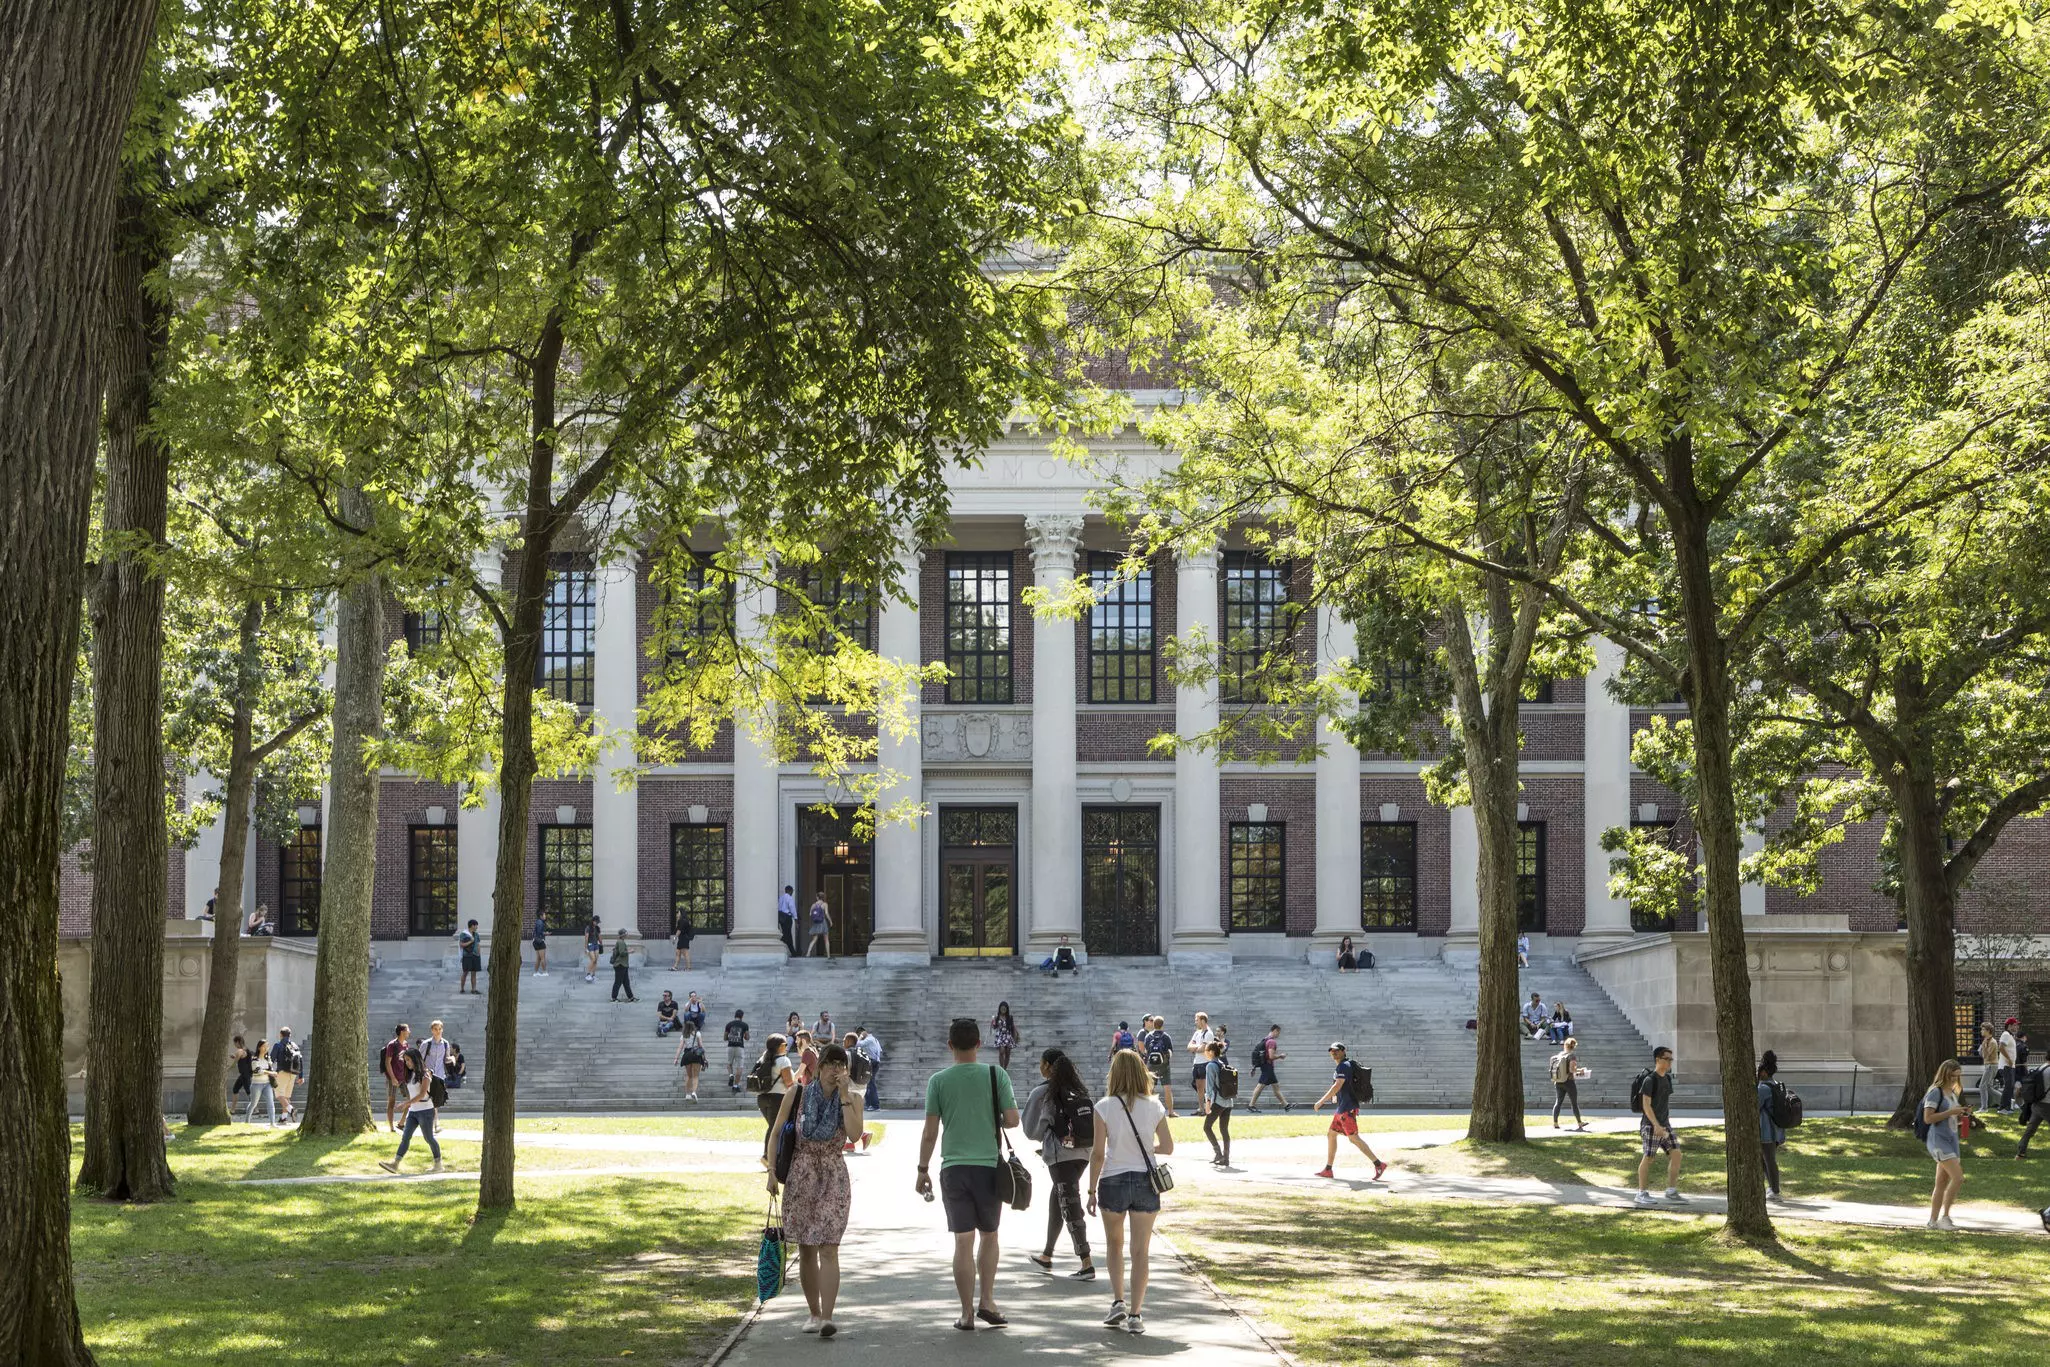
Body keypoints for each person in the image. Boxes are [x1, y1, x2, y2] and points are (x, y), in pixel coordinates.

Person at [915, 1017, 1019, 1333]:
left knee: (963, 1241)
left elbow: (930, 1132)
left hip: (953, 1168)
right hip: (988, 1166)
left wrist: (922, 1169)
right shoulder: (995, 1074)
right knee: (989, 1235)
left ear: (950, 1046)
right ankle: (987, 1300)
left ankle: (966, 1313)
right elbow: (1013, 1120)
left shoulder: (938, 1081)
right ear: (978, 1043)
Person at [766, 1041, 863, 1337]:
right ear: (819, 1066)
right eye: (830, 1064)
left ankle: (828, 1317)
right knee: (806, 1248)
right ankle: (813, 1312)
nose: (835, 1070)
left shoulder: (853, 1097)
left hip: (833, 1174)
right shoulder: (797, 1093)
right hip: (801, 1173)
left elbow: (856, 1134)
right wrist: (771, 1172)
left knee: (829, 1247)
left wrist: (845, 1096)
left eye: (840, 1065)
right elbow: (776, 1132)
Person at [1087, 1047, 1172, 1335]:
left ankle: (1118, 1301)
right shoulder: (1155, 1106)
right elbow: (1168, 1147)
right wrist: (1148, 1148)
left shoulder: (1104, 1106)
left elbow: (1098, 1154)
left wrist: (1090, 1190)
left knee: (1114, 1245)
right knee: (1141, 1251)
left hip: (1113, 1178)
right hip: (1146, 1181)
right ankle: (1136, 1314)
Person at [1022, 1048, 1096, 1280]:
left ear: (1047, 1066)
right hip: (1083, 1153)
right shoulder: (1079, 1089)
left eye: (1041, 1063)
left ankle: (1086, 1262)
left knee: (1070, 1203)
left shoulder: (1042, 1093)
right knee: (1060, 1197)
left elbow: (1031, 1130)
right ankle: (1047, 1254)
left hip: (1060, 1155)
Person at [1313, 1042, 1386, 1179]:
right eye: (1331, 1051)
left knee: (1353, 1138)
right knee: (1331, 1134)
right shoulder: (1342, 1066)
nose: (1333, 1053)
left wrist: (1321, 1101)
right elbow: (1339, 1086)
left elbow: (1338, 1085)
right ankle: (1328, 1169)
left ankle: (1378, 1164)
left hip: (1347, 1109)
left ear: (1343, 1051)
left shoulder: (1343, 1066)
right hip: (1342, 1108)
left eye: (1336, 1050)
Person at [378, 1046, 444, 1174]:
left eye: (408, 1060)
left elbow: (422, 1094)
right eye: (405, 1060)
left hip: (425, 1111)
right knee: (405, 1137)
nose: (407, 1063)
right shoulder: (411, 1074)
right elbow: (413, 1095)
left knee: (429, 1138)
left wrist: (406, 1103)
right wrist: (408, 1105)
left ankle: (438, 1164)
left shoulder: (426, 1074)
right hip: (413, 1112)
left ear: (415, 1059)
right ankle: (395, 1164)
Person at [1923, 1058, 1972, 1229]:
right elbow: (1928, 1118)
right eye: (1952, 1076)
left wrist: (1960, 1115)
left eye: (1957, 1076)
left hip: (1951, 1139)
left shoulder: (1952, 1092)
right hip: (1939, 1141)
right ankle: (1945, 1217)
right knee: (1958, 1178)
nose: (1954, 1080)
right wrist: (1951, 1111)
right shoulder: (1935, 1092)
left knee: (1941, 1183)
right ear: (1945, 1074)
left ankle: (1932, 1221)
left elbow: (1949, 1117)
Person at [1633, 1045, 1684, 1206]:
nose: (1670, 1062)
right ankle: (1641, 1193)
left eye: (1671, 1059)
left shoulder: (1667, 1079)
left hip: (1664, 1125)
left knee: (1676, 1154)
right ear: (1658, 1060)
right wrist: (1655, 1125)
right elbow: (1646, 1105)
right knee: (1649, 1157)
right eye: (1667, 1059)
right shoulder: (1650, 1080)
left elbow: (1664, 1103)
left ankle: (1671, 1191)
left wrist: (1664, 1125)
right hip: (1650, 1125)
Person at [1757, 1050, 1787, 1203]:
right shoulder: (1775, 1085)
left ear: (1763, 1072)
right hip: (1776, 1130)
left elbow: (1754, 1106)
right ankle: (1771, 1188)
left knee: (1769, 1160)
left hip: (1766, 1131)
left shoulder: (1763, 1089)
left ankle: (1775, 1190)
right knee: (1766, 1160)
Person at [1201, 1040, 1234, 1168]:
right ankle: (1225, 1158)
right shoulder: (1222, 1063)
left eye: (1206, 1051)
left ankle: (1218, 1153)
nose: (1205, 1053)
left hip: (1218, 1102)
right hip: (1228, 1101)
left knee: (1207, 1127)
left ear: (1211, 1052)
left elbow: (1209, 1087)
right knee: (1224, 1130)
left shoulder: (1210, 1066)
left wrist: (1207, 1103)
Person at [755, 1034, 797, 1130]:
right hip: (777, 1097)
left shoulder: (762, 1059)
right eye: (785, 1045)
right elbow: (789, 1082)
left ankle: (769, 1146)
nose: (786, 1047)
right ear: (781, 1046)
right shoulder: (784, 1060)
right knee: (775, 1129)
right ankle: (772, 1146)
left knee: (772, 1128)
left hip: (762, 1097)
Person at [1247, 1024, 1289, 1112]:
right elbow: (1271, 1056)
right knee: (1260, 1086)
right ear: (1275, 1031)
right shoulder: (1272, 1042)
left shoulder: (1265, 1039)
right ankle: (1251, 1105)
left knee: (1276, 1087)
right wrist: (1280, 1056)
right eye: (1278, 1032)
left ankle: (1286, 1105)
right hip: (1268, 1067)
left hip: (1266, 1066)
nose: (1278, 1035)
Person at [1549, 1036, 1587, 1130]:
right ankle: (1579, 1122)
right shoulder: (1571, 1056)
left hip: (1558, 1082)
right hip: (1569, 1082)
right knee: (1574, 1103)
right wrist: (1580, 1071)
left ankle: (1555, 1123)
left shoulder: (1560, 1055)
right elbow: (1572, 1070)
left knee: (1558, 1102)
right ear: (1573, 1046)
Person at [1141, 1016, 1176, 1117]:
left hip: (1151, 1066)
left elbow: (1146, 1051)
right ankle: (1170, 1112)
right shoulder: (1166, 1036)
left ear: (1153, 1024)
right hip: (1164, 1065)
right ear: (1162, 1025)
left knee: (1150, 1089)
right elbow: (1170, 1051)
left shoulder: (1148, 1036)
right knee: (1167, 1089)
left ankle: (1150, 1112)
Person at [380, 1024, 411, 1131]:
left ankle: (401, 1122)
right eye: (407, 1030)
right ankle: (391, 1127)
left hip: (404, 1078)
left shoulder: (406, 1044)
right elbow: (387, 1063)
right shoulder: (392, 1045)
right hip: (392, 1078)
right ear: (402, 1032)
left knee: (411, 1099)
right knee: (391, 1102)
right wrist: (392, 1078)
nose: (409, 1032)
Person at [271, 1027, 303, 1123]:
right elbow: (300, 1061)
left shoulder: (278, 1045)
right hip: (293, 1074)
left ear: (281, 1035)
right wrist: (301, 1076)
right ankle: (284, 1118)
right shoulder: (295, 1046)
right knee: (286, 1096)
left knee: (279, 1095)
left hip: (282, 1072)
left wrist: (269, 1071)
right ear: (290, 1035)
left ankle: (291, 1110)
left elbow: (271, 1059)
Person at [245, 1040, 278, 1125]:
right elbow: (258, 1071)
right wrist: (271, 1073)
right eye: (264, 1046)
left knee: (271, 1102)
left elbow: (271, 1069)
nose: (266, 1048)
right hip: (256, 1084)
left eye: (267, 1046)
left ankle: (272, 1123)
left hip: (267, 1084)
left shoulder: (268, 1058)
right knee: (253, 1103)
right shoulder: (254, 1059)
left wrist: (272, 1073)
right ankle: (247, 1122)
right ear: (259, 1047)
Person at [1186, 1012, 1214, 1111]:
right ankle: (1201, 1108)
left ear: (1203, 1020)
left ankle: (1209, 1108)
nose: (1195, 1022)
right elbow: (1189, 1046)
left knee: (1207, 1088)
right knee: (1199, 1088)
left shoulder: (1209, 1033)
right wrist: (1196, 1047)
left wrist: (1195, 1048)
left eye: (1196, 1020)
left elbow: (1203, 1049)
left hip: (1205, 1063)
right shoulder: (1197, 1032)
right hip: (1197, 1063)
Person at [1979, 1022, 2006, 1112]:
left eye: (1983, 1029)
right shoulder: (1986, 1041)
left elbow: (1985, 1055)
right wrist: (1983, 1047)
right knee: (1989, 1087)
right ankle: (2009, 1101)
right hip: (1989, 1065)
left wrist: (1983, 1047)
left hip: (1991, 1066)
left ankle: (1984, 1108)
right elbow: (1982, 1053)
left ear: (1988, 1031)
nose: (1981, 1031)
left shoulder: (1993, 1042)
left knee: (1982, 1086)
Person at [676, 1020, 706, 1101]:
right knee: (695, 1076)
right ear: (693, 1026)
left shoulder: (684, 1035)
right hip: (696, 1055)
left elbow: (680, 1047)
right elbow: (701, 1046)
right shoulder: (698, 1034)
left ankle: (687, 1094)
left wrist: (676, 1058)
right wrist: (704, 1058)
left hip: (687, 1055)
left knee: (689, 1076)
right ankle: (693, 1092)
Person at [855, 1026, 883, 1110]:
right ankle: (869, 1104)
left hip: (872, 1062)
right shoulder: (874, 1039)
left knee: (870, 1084)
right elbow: (880, 1050)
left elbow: (857, 1044)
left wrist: (860, 1037)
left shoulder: (869, 1039)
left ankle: (874, 1105)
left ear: (862, 1033)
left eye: (859, 1034)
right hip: (874, 1062)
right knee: (868, 1083)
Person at [1997, 1017, 2021, 1112]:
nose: (2017, 1027)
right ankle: (2002, 1108)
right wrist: (2009, 1060)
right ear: (2010, 1026)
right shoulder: (2006, 1034)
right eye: (2015, 1025)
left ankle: (2007, 1107)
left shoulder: (2010, 1036)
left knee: (2010, 1086)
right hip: (2006, 1065)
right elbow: (2001, 1047)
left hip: (2010, 1066)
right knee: (2008, 1087)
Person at [723, 1010, 751, 1093]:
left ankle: (731, 1075)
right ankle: (735, 1086)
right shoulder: (744, 1025)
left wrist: (731, 1038)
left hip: (730, 1046)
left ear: (735, 1016)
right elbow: (747, 1037)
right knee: (740, 1067)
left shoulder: (729, 1024)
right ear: (742, 1016)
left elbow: (725, 1038)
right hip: (739, 1047)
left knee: (729, 1063)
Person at [609, 928, 637, 1002]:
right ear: (623, 934)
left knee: (626, 982)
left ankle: (631, 997)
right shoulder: (621, 942)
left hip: (623, 965)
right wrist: (630, 951)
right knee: (618, 982)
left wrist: (627, 950)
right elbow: (622, 953)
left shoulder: (621, 942)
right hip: (620, 965)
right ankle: (613, 998)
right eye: (626, 933)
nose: (627, 934)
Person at [456, 918, 483, 994]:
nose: (477, 927)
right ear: (472, 926)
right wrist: (470, 941)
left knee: (474, 973)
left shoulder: (476, 934)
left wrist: (479, 954)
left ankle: (473, 989)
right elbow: (461, 945)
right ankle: (462, 988)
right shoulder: (463, 934)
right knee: (465, 972)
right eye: (476, 925)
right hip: (467, 956)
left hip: (475, 956)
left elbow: (478, 944)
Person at [990, 1001, 1018, 1070]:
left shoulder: (1010, 1017)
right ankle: (1001, 1067)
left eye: (1004, 1009)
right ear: (999, 1009)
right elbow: (994, 1027)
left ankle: (1005, 1068)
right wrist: (992, 1021)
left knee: (1008, 1052)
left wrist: (1015, 1037)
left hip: (1008, 1036)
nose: (1003, 1010)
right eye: (1002, 1008)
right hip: (1000, 1036)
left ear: (1007, 1009)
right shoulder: (996, 1017)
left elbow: (1013, 1027)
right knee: (1002, 1051)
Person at [229, 1034, 253, 1113]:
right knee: (236, 1089)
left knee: (248, 1092)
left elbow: (234, 1063)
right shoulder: (247, 1050)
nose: (235, 1045)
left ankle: (255, 1109)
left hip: (244, 1075)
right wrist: (234, 1057)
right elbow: (242, 1059)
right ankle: (232, 1110)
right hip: (246, 1074)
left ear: (238, 1042)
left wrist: (227, 1069)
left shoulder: (240, 1051)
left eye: (235, 1043)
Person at [805, 892, 833, 958]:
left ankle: (808, 953)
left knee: (814, 939)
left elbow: (810, 914)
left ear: (817, 897)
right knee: (826, 939)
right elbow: (826, 913)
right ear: (823, 897)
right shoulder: (825, 904)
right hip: (823, 922)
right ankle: (828, 955)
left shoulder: (813, 905)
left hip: (816, 923)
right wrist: (830, 921)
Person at [778, 883, 798, 956]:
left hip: (781, 917)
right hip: (787, 917)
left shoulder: (781, 898)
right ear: (790, 891)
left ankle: (793, 952)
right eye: (792, 891)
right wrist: (796, 920)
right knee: (787, 934)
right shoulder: (789, 898)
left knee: (786, 934)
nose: (792, 893)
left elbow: (778, 907)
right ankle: (779, 941)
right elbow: (792, 908)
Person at [583, 915, 604, 982]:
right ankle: (588, 975)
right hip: (590, 945)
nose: (597, 923)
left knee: (595, 961)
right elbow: (586, 938)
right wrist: (586, 948)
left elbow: (600, 937)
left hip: (596, 945)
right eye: (596, 922)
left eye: (598, 922)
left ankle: (593, 975)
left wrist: (601, 943)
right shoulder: (588, 928)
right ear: (593, 921)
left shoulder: (597, 928)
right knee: (593, 959)